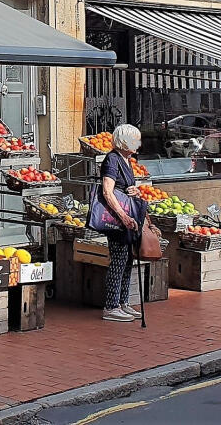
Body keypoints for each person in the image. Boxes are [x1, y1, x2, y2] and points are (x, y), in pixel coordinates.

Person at [99, 124, 144, 322]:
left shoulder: (127, 160)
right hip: (117, 219)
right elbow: (107, 190)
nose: (138, 144)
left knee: (128, 260)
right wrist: (123, 217)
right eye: (135, 140)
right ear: (125, 141)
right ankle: (111, 306)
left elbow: (126, 188)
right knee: (118, 260)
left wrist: (136, 191)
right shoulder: (112, 160)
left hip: (129, 217)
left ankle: (123, 302)